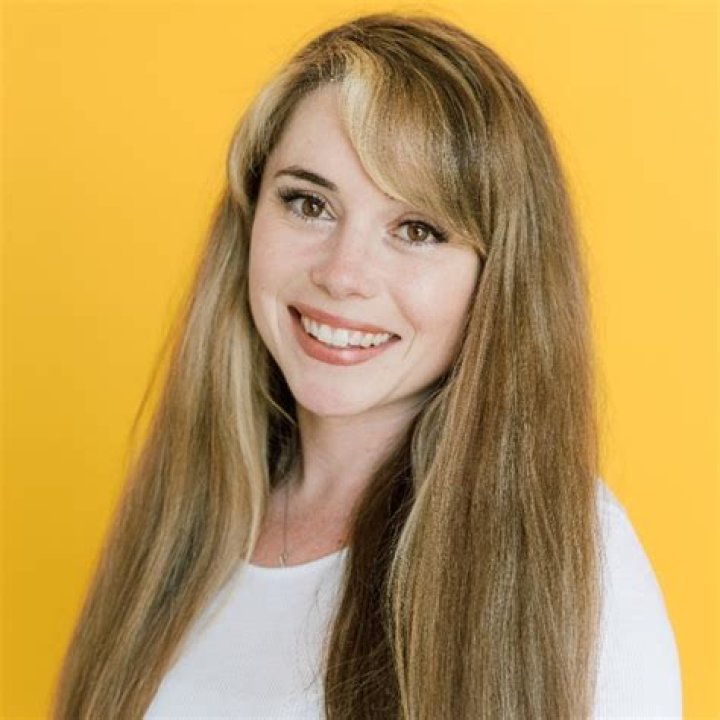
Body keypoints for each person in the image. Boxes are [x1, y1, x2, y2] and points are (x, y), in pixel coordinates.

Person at [52, 12, 682, 719]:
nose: (343, 275)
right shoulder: (183, 518)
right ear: (252, 218)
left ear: (499, 278)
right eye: (309, 204)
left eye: (417, 229)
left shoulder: (576, 558)